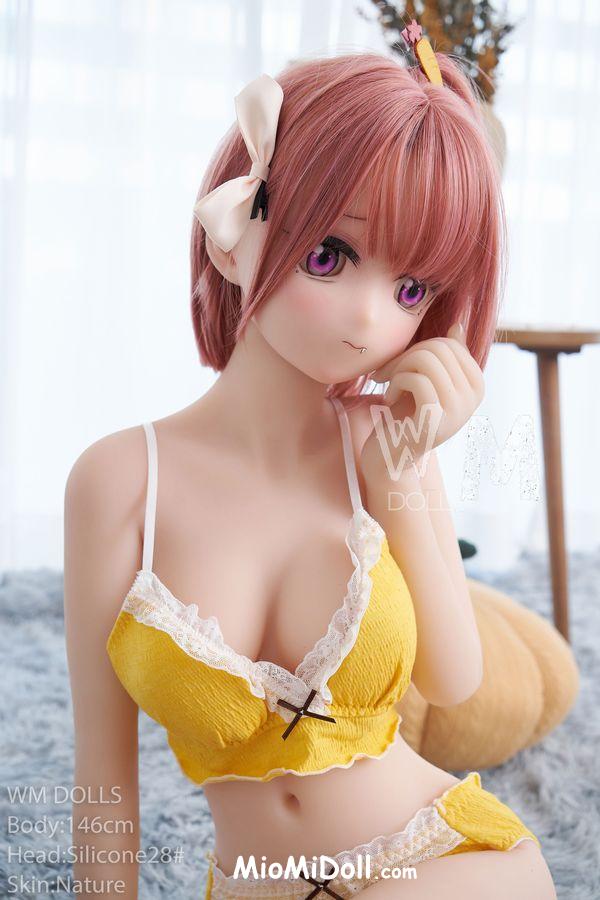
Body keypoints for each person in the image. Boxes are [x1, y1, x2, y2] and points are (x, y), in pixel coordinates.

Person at [64, 34, 557, 900]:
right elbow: (103, 779)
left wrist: (403, 472)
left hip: (439, 859)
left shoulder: (383, 447)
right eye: (330, 255)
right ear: (232, 237)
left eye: (412, 290)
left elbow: (455, 679)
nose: (370, 320)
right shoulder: (120, 481)